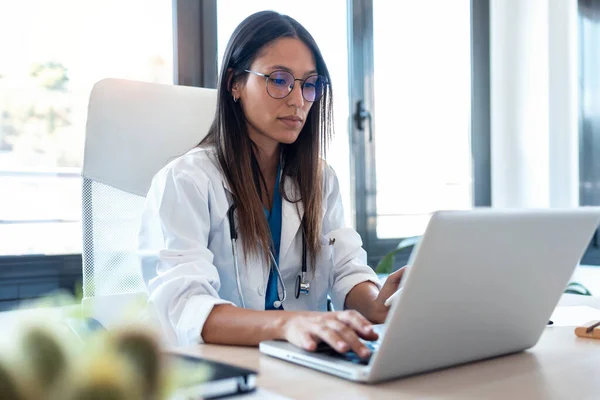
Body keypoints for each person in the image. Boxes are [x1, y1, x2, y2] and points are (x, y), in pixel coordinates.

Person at [138, 10, 404, 359]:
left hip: (302, 367)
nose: (298, 100)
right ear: (235, 83)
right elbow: (186, 307)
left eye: (309, 84)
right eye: (279, 80)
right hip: (217, 372)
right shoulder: (186, 181)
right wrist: (288, 323)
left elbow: (346, 271)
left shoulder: (320, 181)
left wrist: (382, 302)